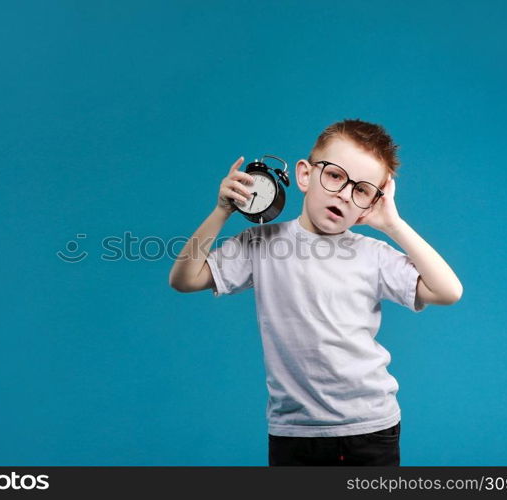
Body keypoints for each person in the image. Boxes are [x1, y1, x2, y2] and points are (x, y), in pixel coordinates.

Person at [168, 118, 463, 466]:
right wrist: (221, 211)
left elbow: (448, 291)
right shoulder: (262, 243)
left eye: (362, 189)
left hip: (370, 427)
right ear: (305, 175)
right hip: (293, 431)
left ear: (371, 204)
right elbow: (184, 279)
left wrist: (393, 225)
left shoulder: (373, 254)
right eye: (336, 175)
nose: (343, 192)